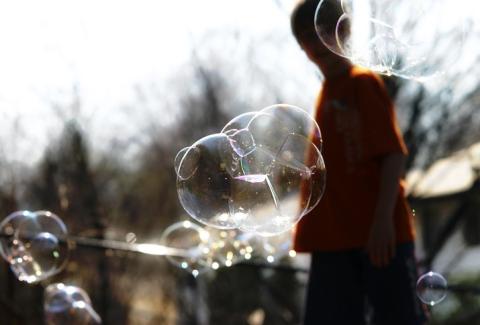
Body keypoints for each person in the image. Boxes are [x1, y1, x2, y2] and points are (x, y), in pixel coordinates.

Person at [290, 1, 428, 324]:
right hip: (334, 239)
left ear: (344, 30)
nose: (316, 42)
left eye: (323, 31)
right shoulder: (326, 93)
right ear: (301, 46)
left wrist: (382, 223)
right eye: (307, 36)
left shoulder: (362, 83)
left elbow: (393, 155)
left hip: (378, 239)